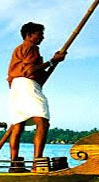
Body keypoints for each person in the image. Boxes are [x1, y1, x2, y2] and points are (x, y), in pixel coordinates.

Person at [7, 22, 66, 169]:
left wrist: (54, 62)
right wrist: (52, 61)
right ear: (29, 35)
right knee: (42, 122)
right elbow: (29, 72)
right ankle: (37, 163)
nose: (42, 38)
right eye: (39, 34)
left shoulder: (21, 49)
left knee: (18, 126)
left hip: (16, 87)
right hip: (27, 85)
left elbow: (41, 78)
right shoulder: (30, 47)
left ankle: (14, 163)